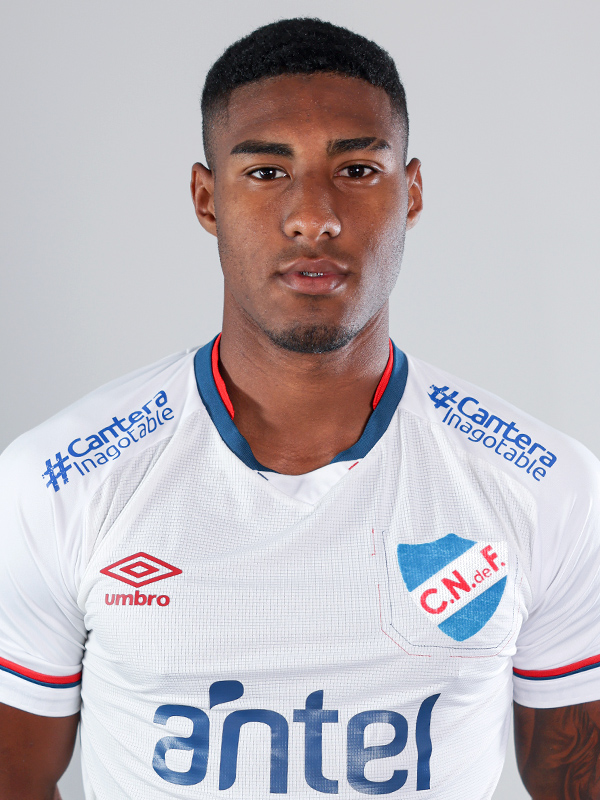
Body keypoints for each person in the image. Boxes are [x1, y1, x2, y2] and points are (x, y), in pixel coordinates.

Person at [1, 16, 599, 800]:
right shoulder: (57, 480)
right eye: (265, 171)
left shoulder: (546, 486)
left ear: (412, 192)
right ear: (206, 198)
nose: (313, 215)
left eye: (357, 170)